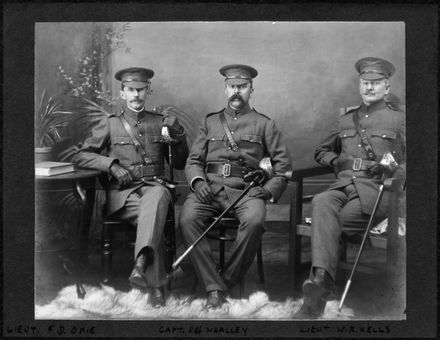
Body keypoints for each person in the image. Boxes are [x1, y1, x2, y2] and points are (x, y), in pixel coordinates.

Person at [294, 57, 406, 318]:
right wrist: (335, 160)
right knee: (321, 201)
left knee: (331, 224)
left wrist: (395, 175)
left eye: (376, 83)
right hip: (342, 184)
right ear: (359, 85)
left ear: (386, 87)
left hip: (375, 191)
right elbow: (321, 151)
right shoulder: (346, 120)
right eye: (365, 83)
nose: (369, 88)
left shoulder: (398, 120)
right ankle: (322, 282)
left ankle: (316, 294)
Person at [73, 67, 189, 307]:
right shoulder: (110, 124)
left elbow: (178, 162)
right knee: (153, 216)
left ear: (147, 91)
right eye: (131, 90)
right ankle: (153, 280)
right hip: (123, 197)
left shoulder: (160, 123)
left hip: (155, 188)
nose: (136, 95)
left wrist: (178, 135)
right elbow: (81, 156)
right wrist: (111, 165)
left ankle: (142, 265)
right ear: (122, 93)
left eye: (141, 90)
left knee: (156, 197)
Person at [179, 64, 292, 309]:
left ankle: (225, 281)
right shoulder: (209, 122)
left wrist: (269, 190)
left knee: (254, 221)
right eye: (232, 87)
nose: (237, 92)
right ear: (225, 89)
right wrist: (198, 182)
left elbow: (283, 167)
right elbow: (194, 160)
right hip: (209, 188)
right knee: (187, 219)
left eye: (242, 87)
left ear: (252, 89)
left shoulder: (264, 124)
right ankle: (213, 285)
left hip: (247, 191)